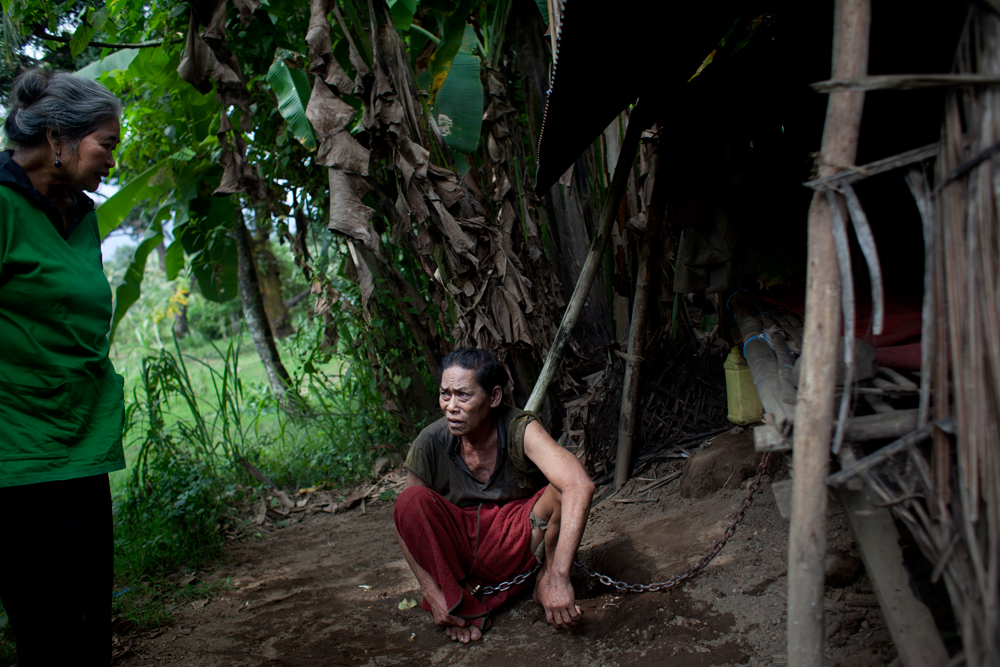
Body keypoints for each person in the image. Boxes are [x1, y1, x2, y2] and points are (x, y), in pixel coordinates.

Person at [0, 68, 125, 666]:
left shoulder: (80, 212)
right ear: (58, 137)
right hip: (18, 453)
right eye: (107, 144)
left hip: (82, 440)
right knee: (46, 630)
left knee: (88, 620)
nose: (113, 162)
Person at [393, 347, 595, 643]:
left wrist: (561, 577)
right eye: (444, 394)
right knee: (409, 502)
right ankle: (458, 602)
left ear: (495, 397)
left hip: (520, 538)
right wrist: (432, 591)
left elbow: (580, 485)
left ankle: (546, 578)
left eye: (463, 395)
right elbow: (405, 523)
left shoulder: (520, 429)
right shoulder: (430, 442)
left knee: (561, 493)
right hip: (463, 549)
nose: (451, 406)